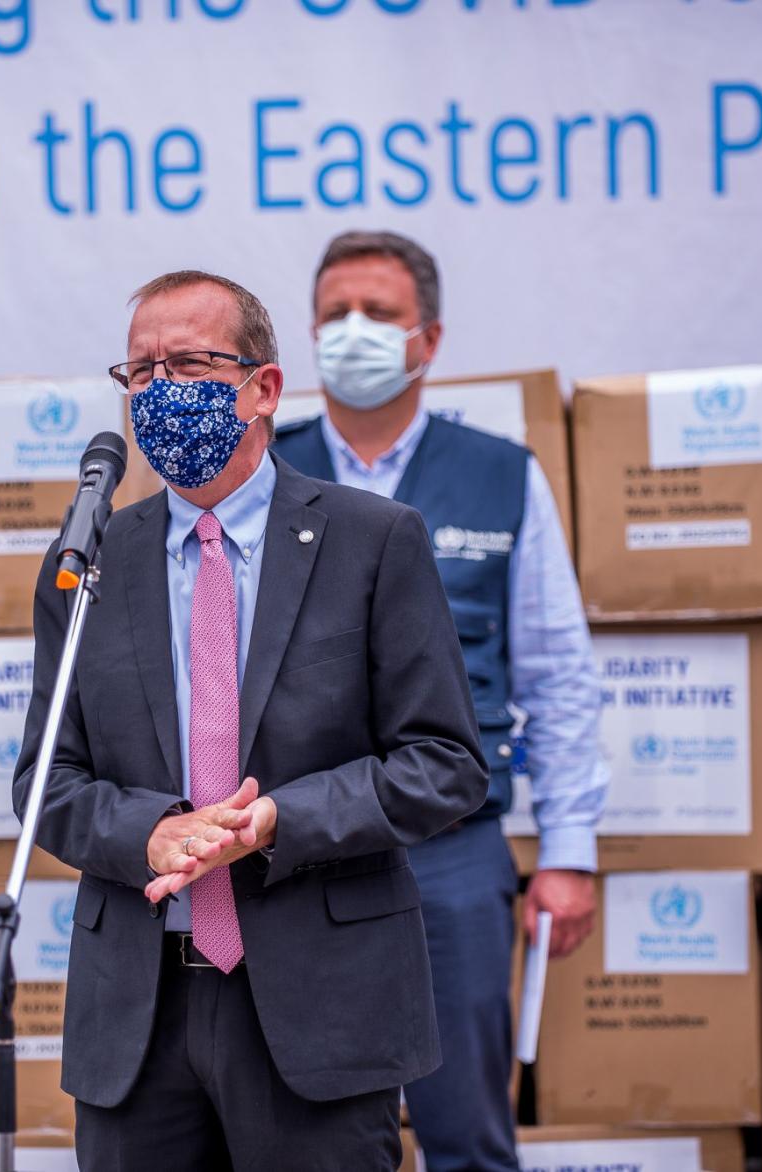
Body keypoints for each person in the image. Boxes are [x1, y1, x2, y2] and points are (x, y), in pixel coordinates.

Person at [13, 270, 489, 1171]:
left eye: (187, 364)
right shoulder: (89, 562)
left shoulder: (374, 541)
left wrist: (274, 822)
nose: (159, 392)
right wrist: (153, 835)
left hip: (319, 1008)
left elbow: (444, 764)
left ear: (263, 388)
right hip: (138, 1019)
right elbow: (47, 782)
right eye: (140, 373)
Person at [273, 230, 607, 1172]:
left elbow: (557, 671)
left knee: (464, 1132)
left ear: (429, 340)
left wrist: (569, 852)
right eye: (335, 313)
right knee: (309, 1136)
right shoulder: (262, 477)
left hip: (454, 854)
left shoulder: (503, 476)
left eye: (378, 314)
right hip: (297, 847)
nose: (353, 332)